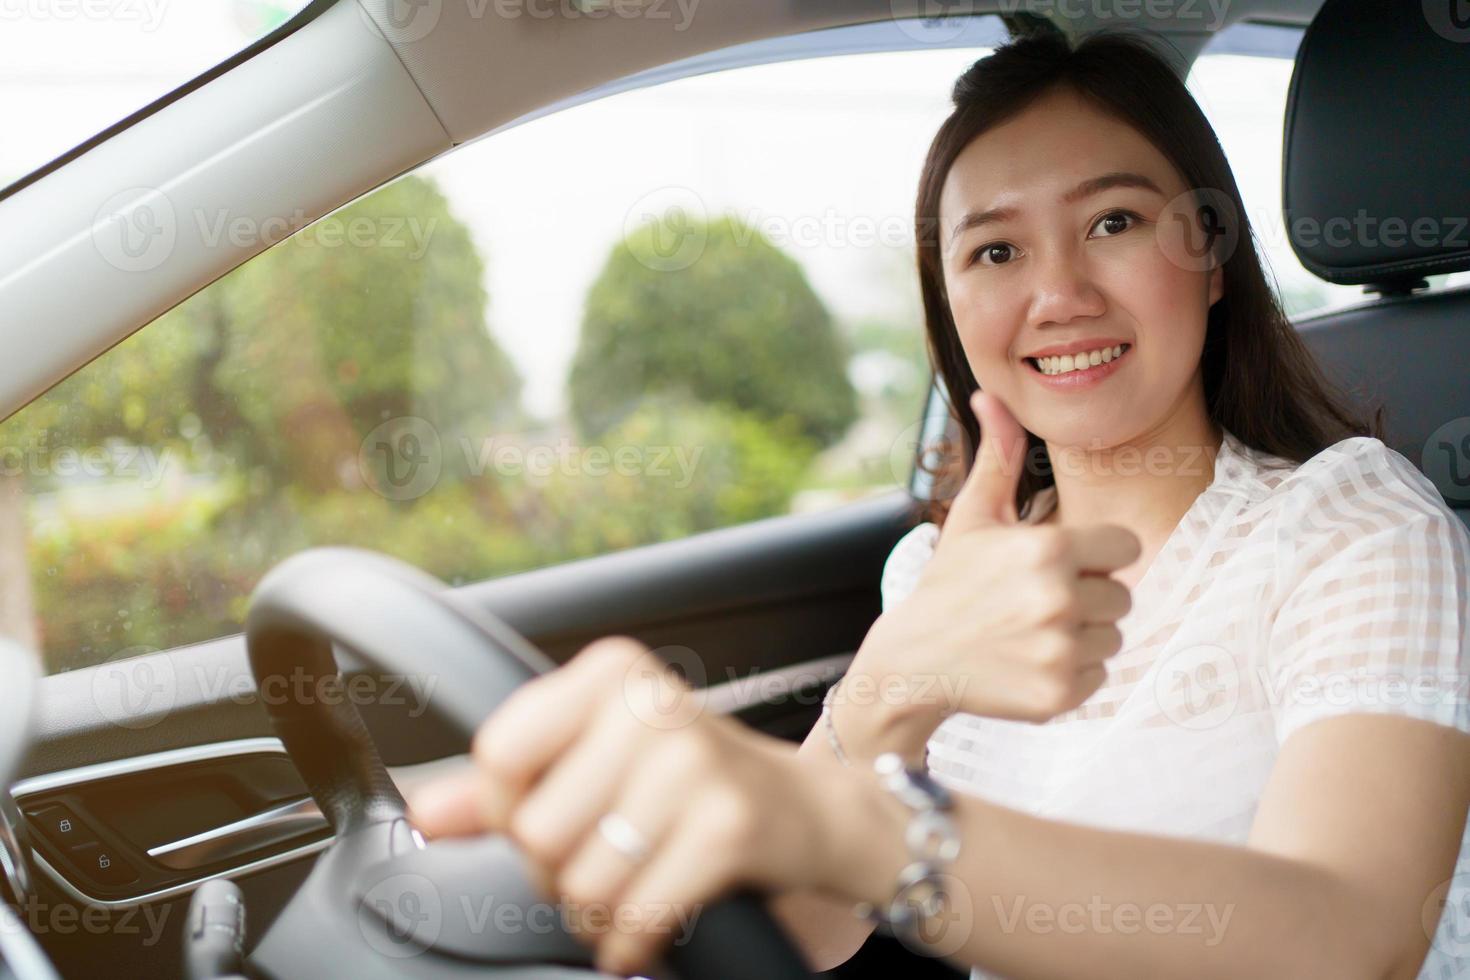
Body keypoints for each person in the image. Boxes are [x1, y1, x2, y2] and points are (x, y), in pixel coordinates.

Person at [407, 30, 1470, 980]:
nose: (1059, 293)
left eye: (1113, 221)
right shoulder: (938, 572)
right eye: (996, 250)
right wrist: (896, 679)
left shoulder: (1355, 529)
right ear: (952, 304)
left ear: (1213, 260)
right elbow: (810, 933)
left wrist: (861, 824)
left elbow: (1350, 933)